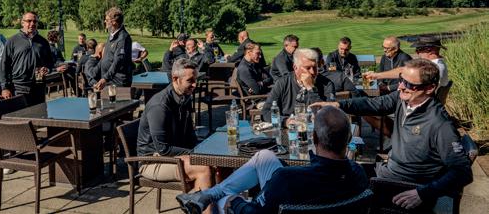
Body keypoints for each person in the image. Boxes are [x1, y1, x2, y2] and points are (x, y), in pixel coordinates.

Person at [312, 59, 473, 210]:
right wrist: (338, 105)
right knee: (337, 172)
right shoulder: (404, 99)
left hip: (403, 186)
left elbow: (463, 172)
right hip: (388, 171)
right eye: (401, 79)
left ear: (430, 88)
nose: (400, 86)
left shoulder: (440, 124)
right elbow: (374, 104)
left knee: (338, 188)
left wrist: (422, 193)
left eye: (409, 84)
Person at [176, 106, 368, 214]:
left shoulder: (287, 179)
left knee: (224, 199)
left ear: (315, 138)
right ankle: (207, 195)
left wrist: (235, 202)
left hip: (280, 202)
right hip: (318, 194)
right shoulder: (359, 173)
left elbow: (254, 213)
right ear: (349, 139)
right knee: (265, 157)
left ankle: (210, 196)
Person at [137, 58, 213, 201]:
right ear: (175, 79)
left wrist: (205, 151)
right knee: (203, 168)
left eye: (196, 80)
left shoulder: (184, 97)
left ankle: (221, 206)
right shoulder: (160, 106)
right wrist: (195, 154)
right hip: (151, 161)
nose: (195, 85)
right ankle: (202, 208)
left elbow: (190, 135)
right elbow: (163, 149)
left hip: (174, 154)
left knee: (220, 163)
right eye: (190, 81)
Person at [261, 48, 335, 124]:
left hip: (316, 127)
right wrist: (286, 121)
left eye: (315, 67)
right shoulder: (283, 83)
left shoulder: (327, 84)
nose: (312, 72)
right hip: (290, 128)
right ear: (295, 68)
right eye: (308, 68)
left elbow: (328, 114)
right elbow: (266, 112)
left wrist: (311, 88)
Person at [0, 11, 53, 106]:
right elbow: (4, 65)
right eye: (29, 21)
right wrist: (5, 88)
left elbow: (50, 62)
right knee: (21, 114)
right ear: (22, 22)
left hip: (38, 87)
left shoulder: (43, 42)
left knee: (39, 113)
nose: (32, 24)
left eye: (35, 21)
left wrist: (47, 69)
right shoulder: (12, 41)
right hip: (18, 87)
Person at [365, 36, 448, 89]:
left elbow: (404, 72)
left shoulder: (434, 68)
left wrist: (386, 86)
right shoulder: (436, 64)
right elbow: (403, 71)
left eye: (418, 49)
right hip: (414, 100)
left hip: (410, 102)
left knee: (365, 100)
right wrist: (377, 76)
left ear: (429, 50)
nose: (416, 52)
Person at [94, 7, 133, 91]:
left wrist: (105, 78)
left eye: (107, 20)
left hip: (118, 82)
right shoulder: (111, 35)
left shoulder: (123, 38)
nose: (105, 21)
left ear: (114, 22)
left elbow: (118, 61)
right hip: (109, 80)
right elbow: (106, 57)